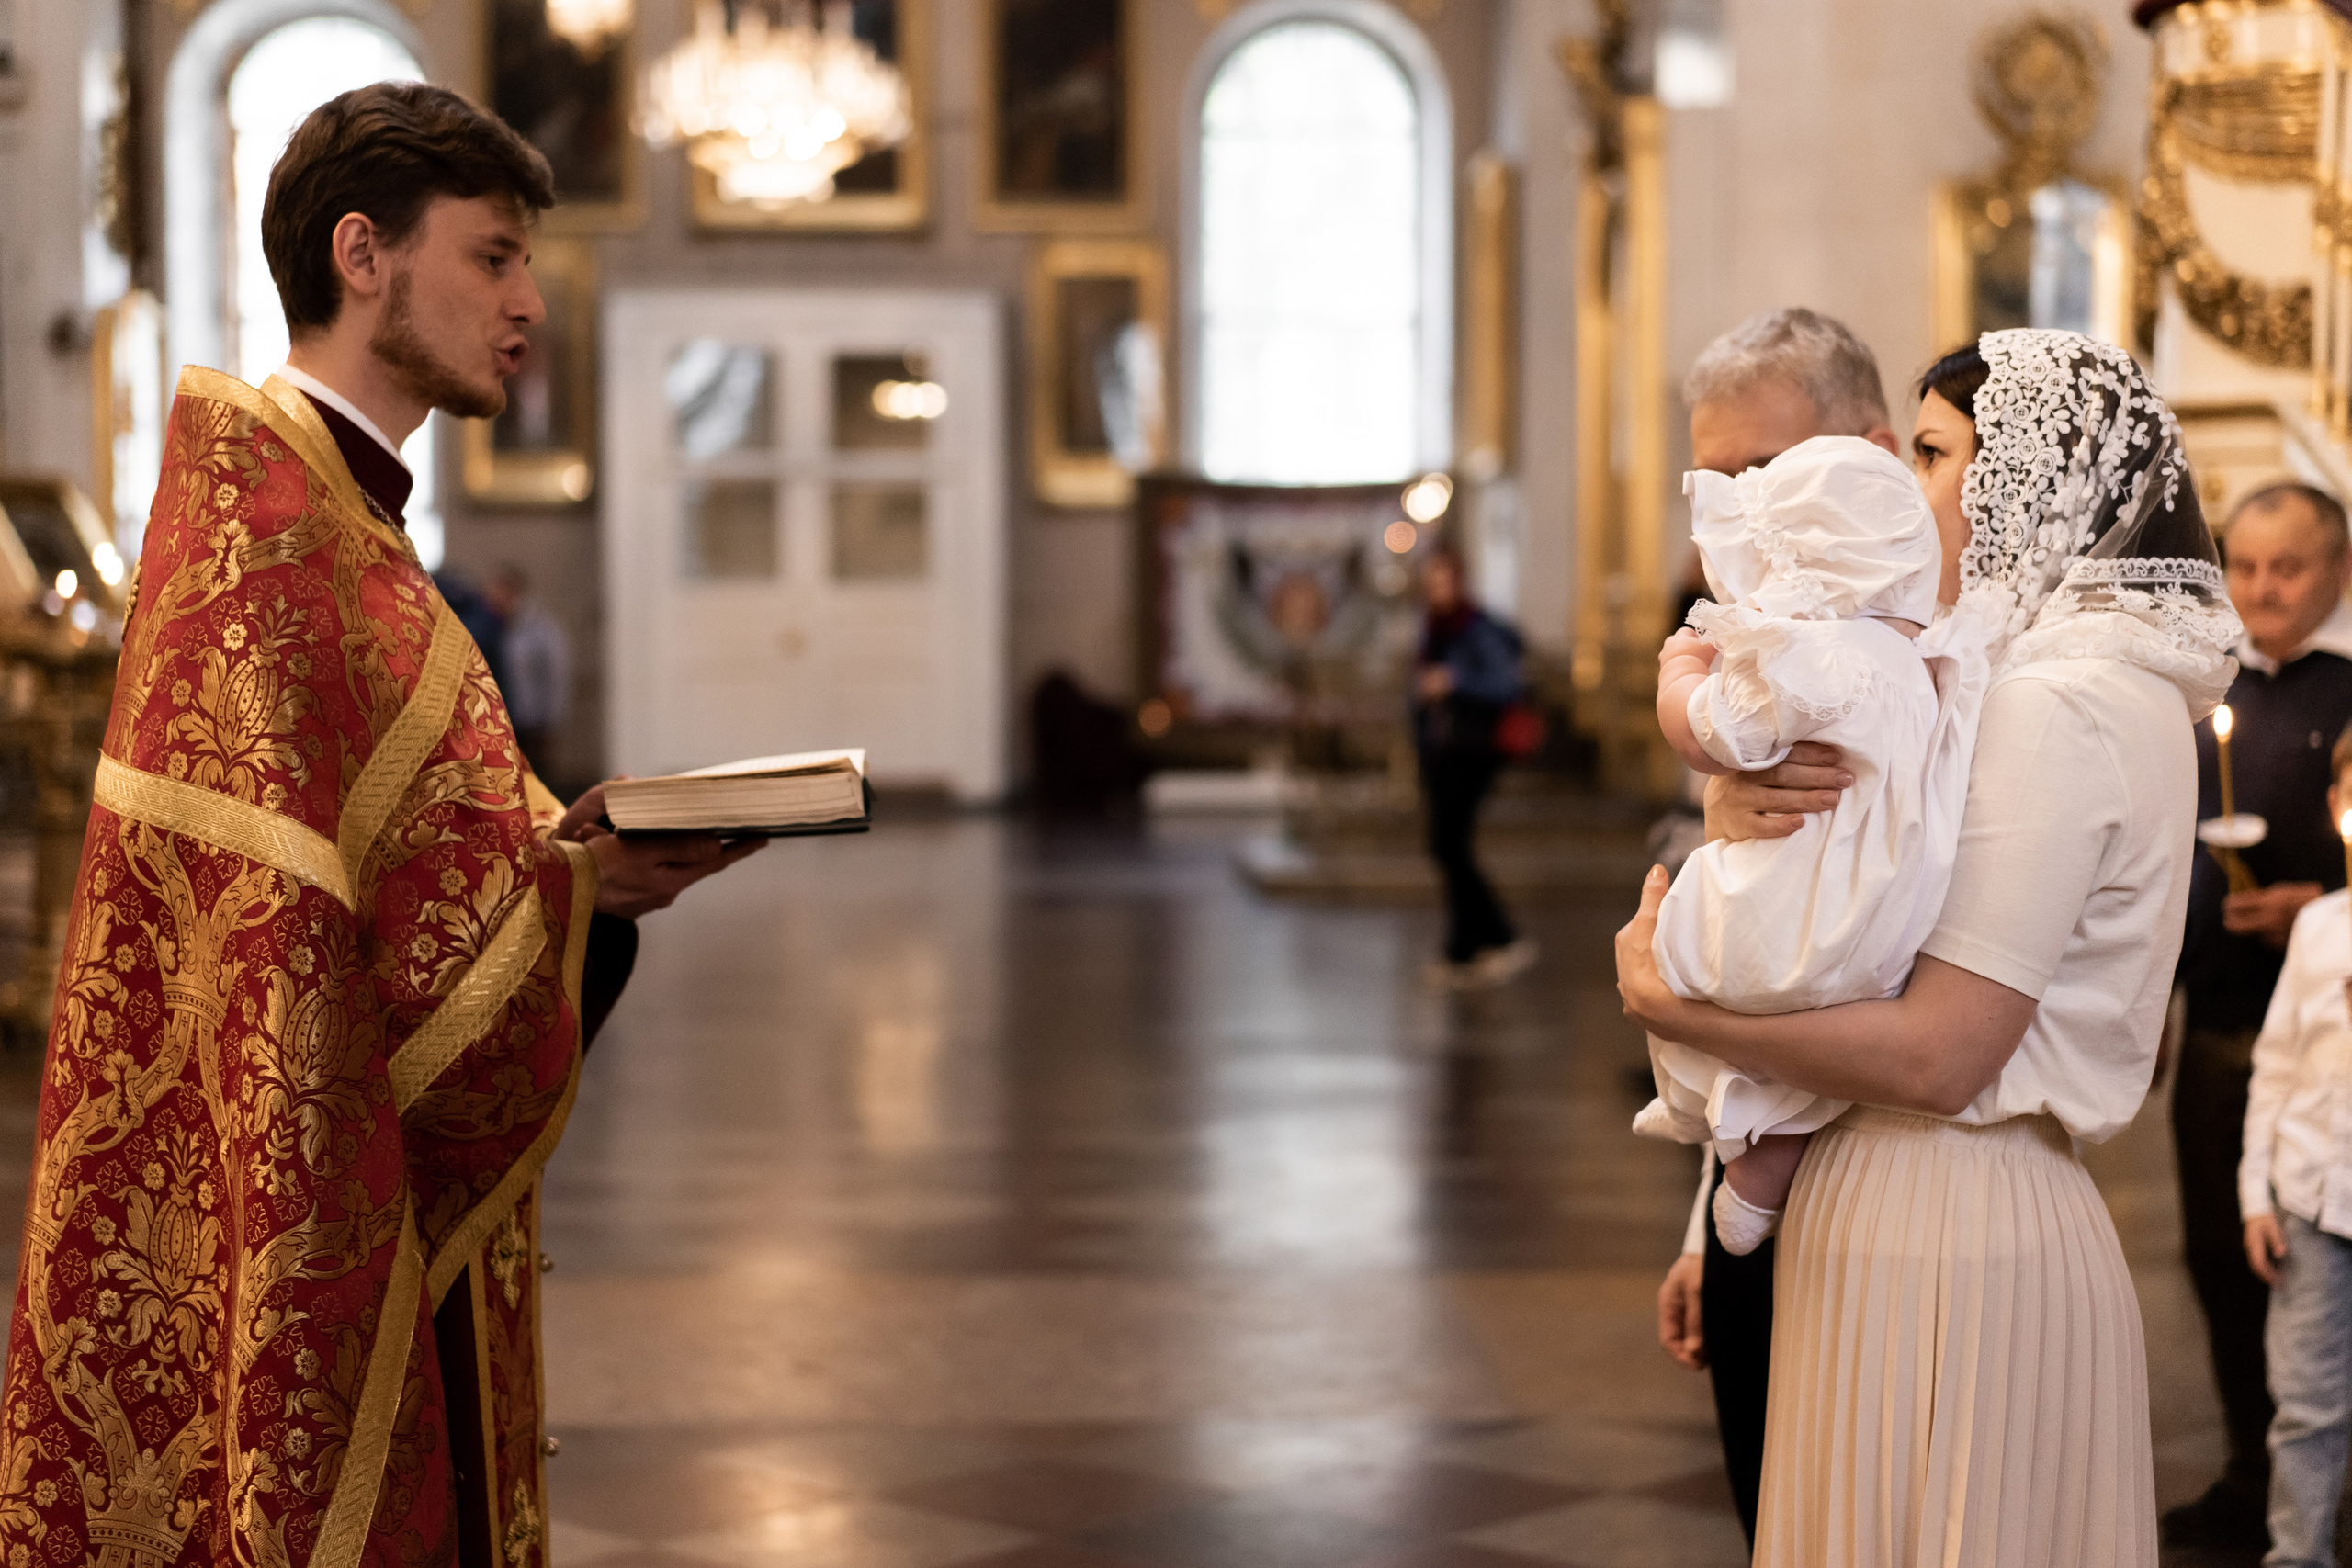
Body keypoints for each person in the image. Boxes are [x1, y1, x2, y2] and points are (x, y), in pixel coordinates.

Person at [0, 83, 762, 1567]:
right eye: (492, 257)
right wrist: (574, 893)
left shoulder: (338, 529)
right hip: (303, 1196)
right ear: (364, 255)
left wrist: (574, 868)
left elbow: (407, 876)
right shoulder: (280, 549)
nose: (528, 302)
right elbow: (302, 973)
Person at [1617, 329, 2240, 1564]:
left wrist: (1672, 999)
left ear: (2028, 476)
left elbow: (1945, 1051)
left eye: (1939, 452)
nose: (1909, 483)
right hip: (1931, 1196)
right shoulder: (2073, 682)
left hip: (1944, 1203)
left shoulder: (2056, 701)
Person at [1652, 304, 1901, 1546]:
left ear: (1871, 454)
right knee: (1770, 1514)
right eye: (1716, 477)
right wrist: (1704, 1215)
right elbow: (1757, 967)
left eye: (1766, 471)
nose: (1737, 510)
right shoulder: (1745, 652)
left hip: (1894, 1190)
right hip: (1754, 1169)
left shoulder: (1936, 663)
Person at [1638, 435, 1986, 1256]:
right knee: (1808, 1059)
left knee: (1682, 921)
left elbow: (1720, 733)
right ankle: (1765, 1162)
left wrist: (1677, 677)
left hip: (1798, 921)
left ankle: (1698, 1100)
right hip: (1884, 934)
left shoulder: (1820, 654)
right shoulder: (1922, 662)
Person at [2168, 480, 2352, 1550]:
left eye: (2286, 568)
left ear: (2333, 575)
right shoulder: (2201, 697)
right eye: (2242, 566)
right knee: (2219, 1248)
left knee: (2325, 1265)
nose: (2261, 587)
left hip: (2328, 1041)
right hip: (2222, 1021)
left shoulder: (2347, 695)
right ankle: (2252, 1466)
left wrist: (2320, 910)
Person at [2240, 724, 2352, 1568]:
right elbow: (2275, 1068)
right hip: (2313, 1198)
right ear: (2336, 804)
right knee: (2307, 1405)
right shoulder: (2320, 925)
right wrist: (2255, 1194)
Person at [1413, 546, 1536, 989]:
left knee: (1449, 846)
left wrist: (1453, 681)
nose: (1436, 588)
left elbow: (1505, 685)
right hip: (1441, 753)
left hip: (1472, 753)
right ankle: (1463, 949)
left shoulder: (1478, 628)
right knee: (1448, 847)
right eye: (1430, 581)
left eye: (1443, 579)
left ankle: (1501, 936)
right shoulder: (1432, 628)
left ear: (1459, 580)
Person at [488, 563, 571, 776]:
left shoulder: (541, 630)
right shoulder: (493, 628)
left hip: (533, 722)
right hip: (504, 721)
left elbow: (555, 677)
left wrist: (551, 720)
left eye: (500, 590)